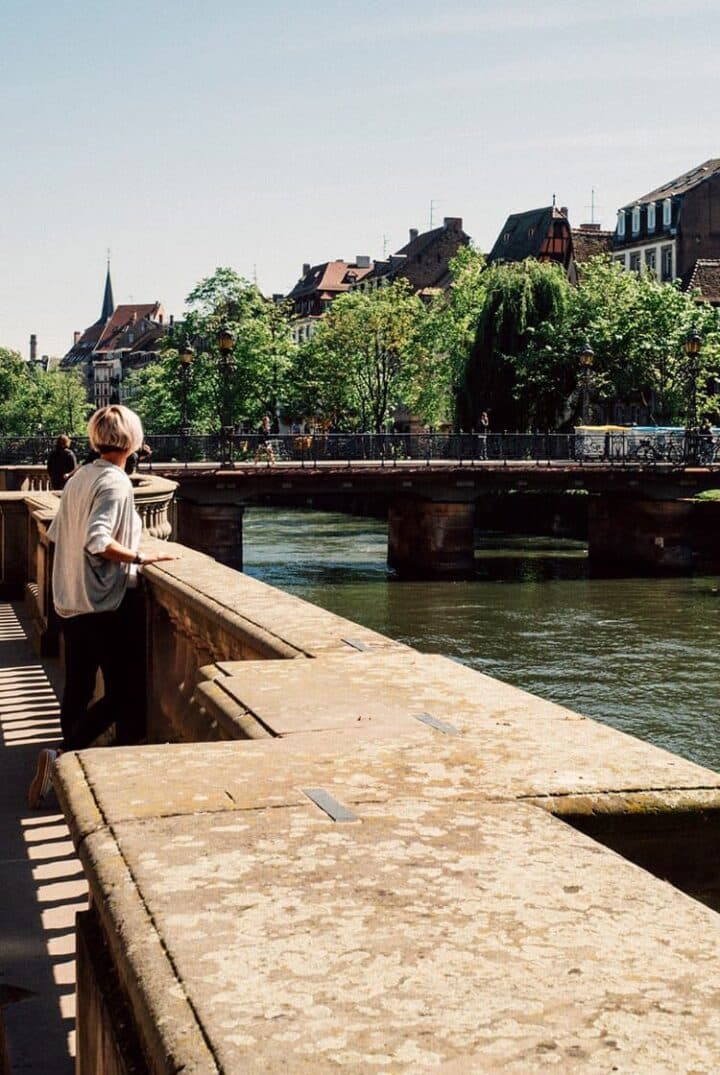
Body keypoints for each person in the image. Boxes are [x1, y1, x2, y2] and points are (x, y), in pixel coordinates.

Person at [27, 405, 176, 808]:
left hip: (70, 599)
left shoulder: (79, 478)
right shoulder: (114, 482)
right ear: (131, 440)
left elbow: (57, 532)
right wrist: (140, 558)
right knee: (127, 692)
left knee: (76, 688)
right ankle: (64, 757)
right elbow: (97, 540)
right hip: (104, 602)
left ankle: (65, 776)